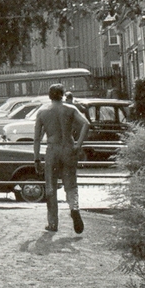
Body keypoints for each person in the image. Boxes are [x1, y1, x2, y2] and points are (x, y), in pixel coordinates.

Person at [33, 83, 90, 233]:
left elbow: (37, 138)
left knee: (50, 187)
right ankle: (74, 208)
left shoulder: (42, 112)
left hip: (52, 150)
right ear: (63, 95)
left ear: (49, 96)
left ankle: (53, 223)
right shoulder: (70, 109)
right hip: (68, 148)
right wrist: (78, 145)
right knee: (71, 184)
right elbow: (86, 124)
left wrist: (36, 158)